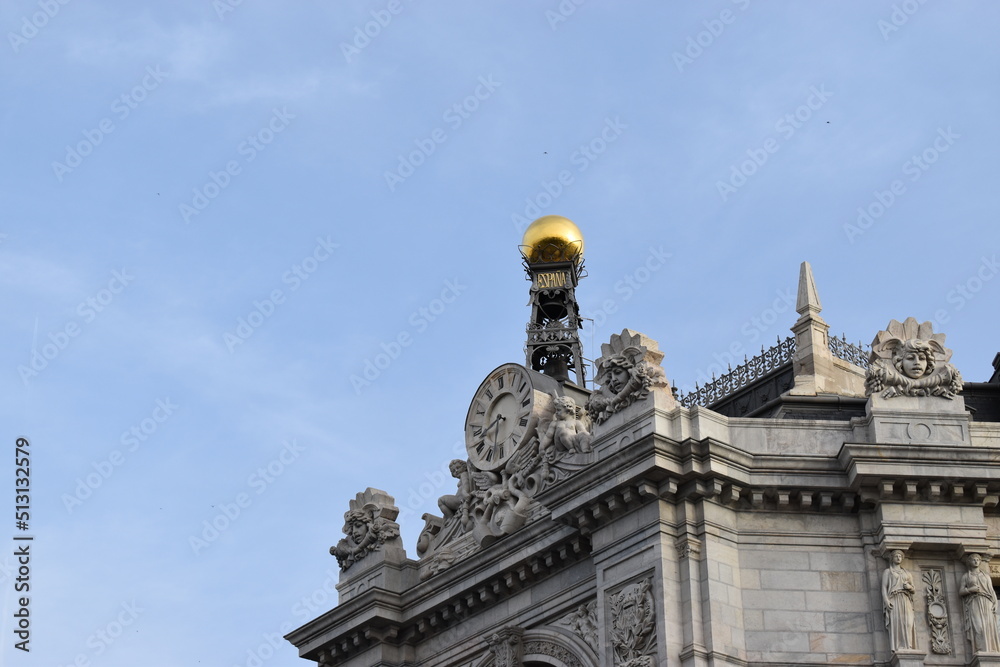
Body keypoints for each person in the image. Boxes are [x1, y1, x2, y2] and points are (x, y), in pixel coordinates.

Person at [960, 553, 1000, 653]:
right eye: (973, 559)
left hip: (987, 601)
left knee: (988, 627)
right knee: (979, 627)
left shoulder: (985, 575)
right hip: (974, 602)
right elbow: (961, 591)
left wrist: (995, 603)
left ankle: (990, 650)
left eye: (978, 559)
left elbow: (991, 590)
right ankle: (980, 649)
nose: (976, 561)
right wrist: (970, 590)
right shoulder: (966, 576)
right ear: (969, 562)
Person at [881, 550, 915, 651]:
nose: (899, 558)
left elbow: (913, 588)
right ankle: (899, 646)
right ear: (892, 558)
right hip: (894, 599)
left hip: (905, 599)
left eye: (900, 556)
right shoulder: (888, 572)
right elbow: (883, 587)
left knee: (908, 622)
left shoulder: (907, 573)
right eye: (896, 556)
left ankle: (908, 645)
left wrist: (909, 587)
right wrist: (886, 601)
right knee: (897, 623)